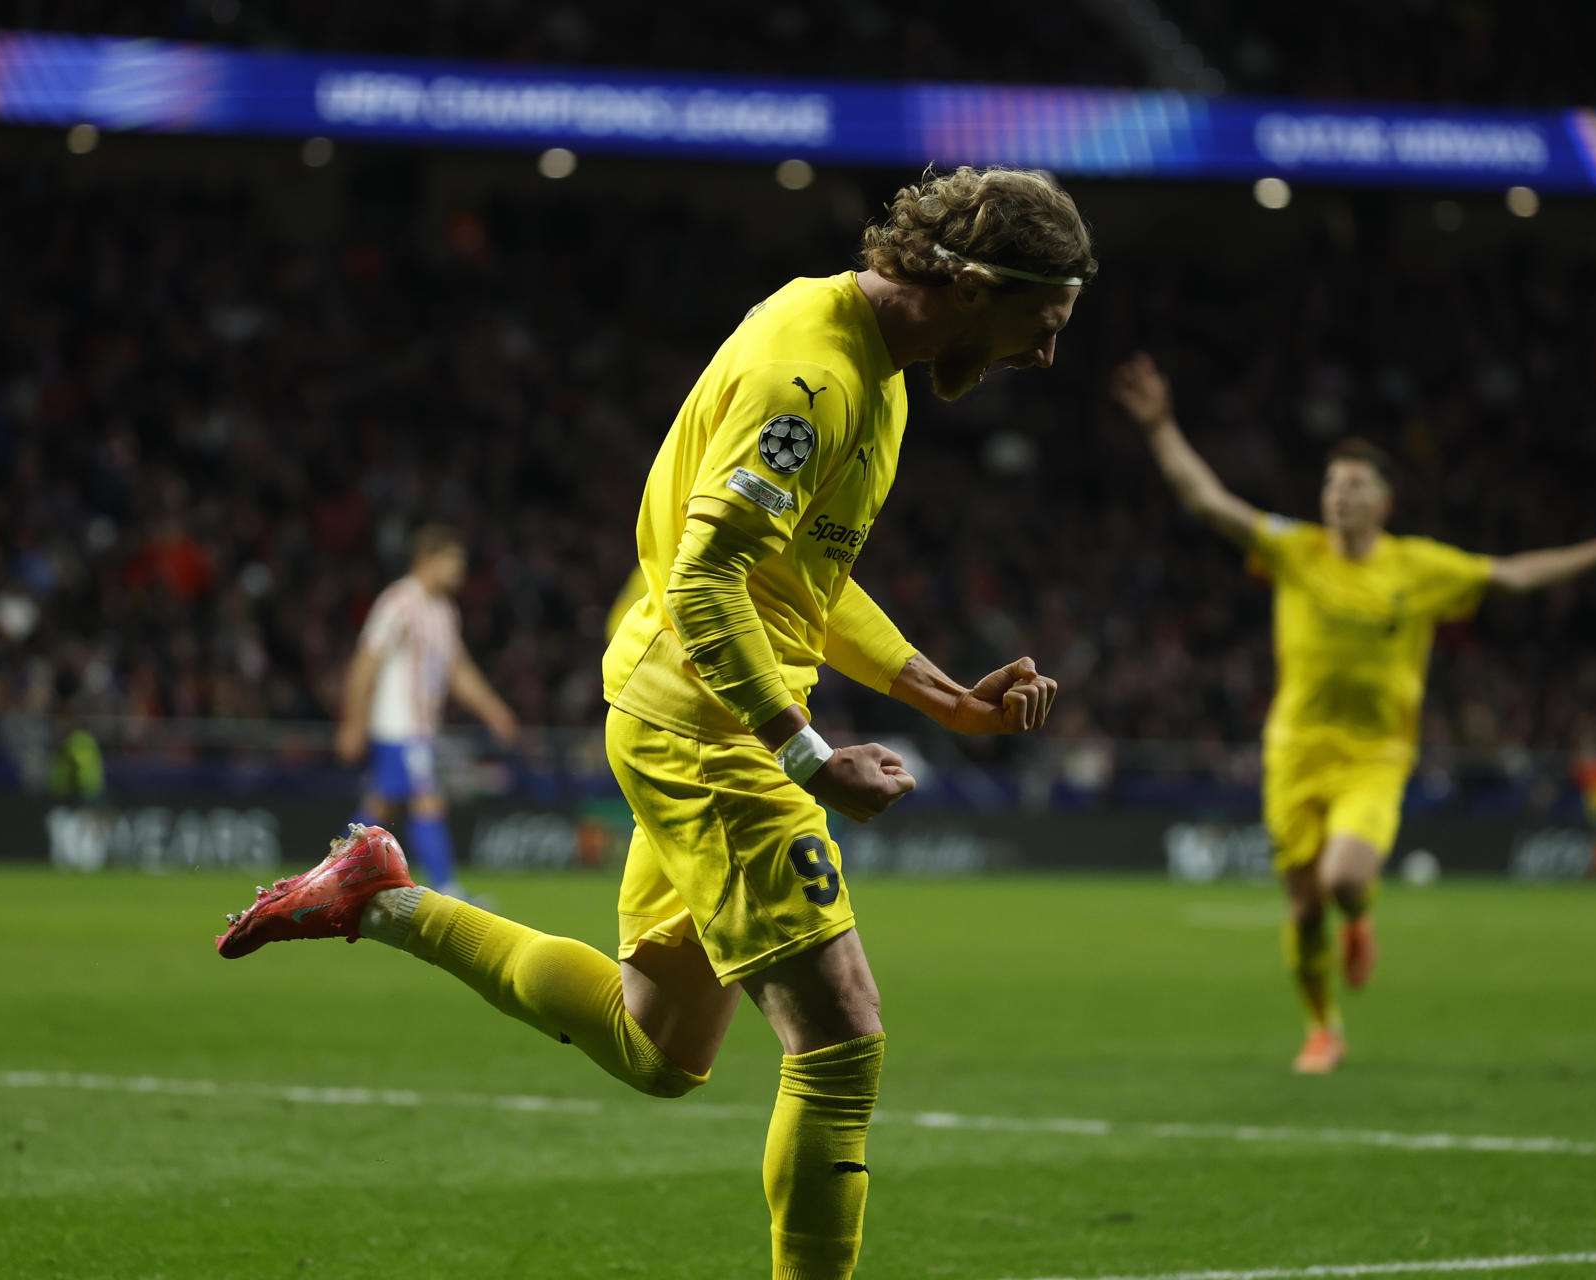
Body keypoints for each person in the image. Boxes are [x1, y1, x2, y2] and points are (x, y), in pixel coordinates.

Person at [218, 165, 1087, 1280]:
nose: (1045, 354)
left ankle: (384, 898)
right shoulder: (812, 379)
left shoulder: (879, 364)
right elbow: (703, 581)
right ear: (970, 284)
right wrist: (810, 756)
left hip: (689, 707)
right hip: (711, 726)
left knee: (656, 1045)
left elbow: (802, 580)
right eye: (1041, 323)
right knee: (841, 1040)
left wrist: (941, 694)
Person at [1110, 353, 1596, 1074]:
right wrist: (1160, 427)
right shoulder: (1296, 550)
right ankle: (1322, 1028)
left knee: (1343, 881)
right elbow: (1208, 502)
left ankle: (1360, 916)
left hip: (1376, 754)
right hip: (1294, 750)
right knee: (1304, 907)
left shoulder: (1419, 568)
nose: (1338, 497)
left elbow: (1512, 575)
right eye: (1331, 484)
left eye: (1354, 486)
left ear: (1384, 502)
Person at [334, 524, 520, 898]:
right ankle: (447, 888)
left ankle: (330, 879)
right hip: (397, 725)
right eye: (454, 561)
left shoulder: (443, 611)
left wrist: (493, 710)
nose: (460, 570)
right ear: (428, 559)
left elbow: (458, 670)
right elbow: (365, 662)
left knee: (379, 806)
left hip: (419, 728)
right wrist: (352, 722)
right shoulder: (398, 602)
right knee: (426, 798)